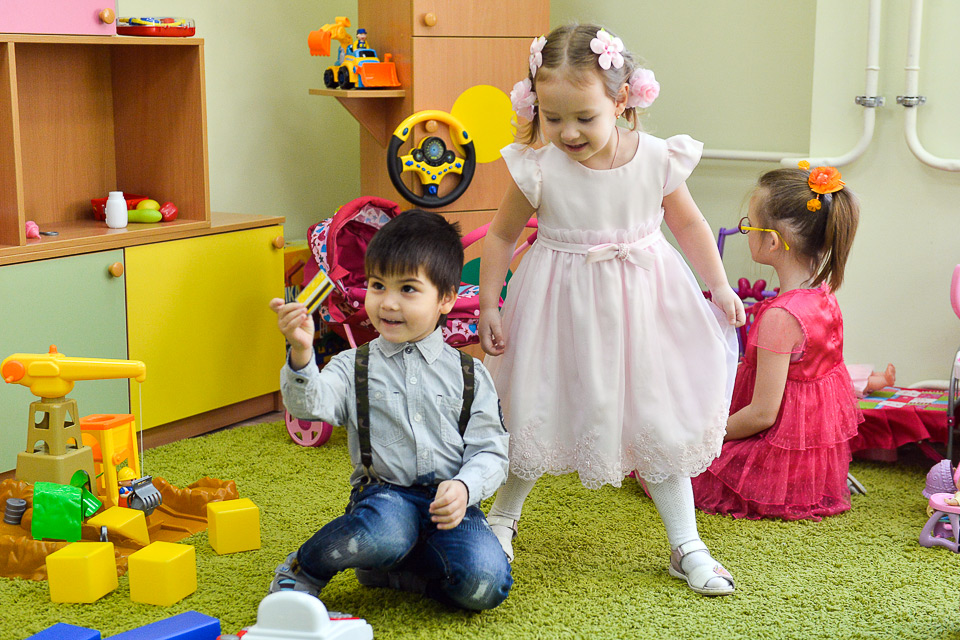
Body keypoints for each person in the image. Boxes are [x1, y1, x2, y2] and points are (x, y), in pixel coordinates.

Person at [478, 24, 744, 596]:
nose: (568, 132)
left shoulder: (657, 158)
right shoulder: (538, 166)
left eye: (584, 117)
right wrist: (489, 303)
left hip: (645, 306)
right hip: (557, 305)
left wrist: (719, 286)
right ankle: (501, 518)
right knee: (537, 405)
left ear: (621, 100)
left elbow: (689, 225)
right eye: (553, 117)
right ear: (536, 105)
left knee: (656, 413)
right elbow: (499, 237)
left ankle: (685, 543)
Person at [268, 210, 512, 611]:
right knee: (384, 535)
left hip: (452, 502)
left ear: (446, 298)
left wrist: (465, 487)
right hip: (384, 498)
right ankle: (303, 568)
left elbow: (492, 450)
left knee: (486, 584)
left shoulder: (470, 374)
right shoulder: (353, 365)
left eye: (408, 289)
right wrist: (301, 352)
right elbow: (308, 406)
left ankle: (399, 573)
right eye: (377, 285)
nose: (388, 302)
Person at [691, 163, 863, 521]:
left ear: (771, 241)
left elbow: (762, 414)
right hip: (810, 461)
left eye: (748, 225)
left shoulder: (781, 317)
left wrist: (704, 439)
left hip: (777, 461)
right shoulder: (824, 294)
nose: (745, 231)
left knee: (668, 467)